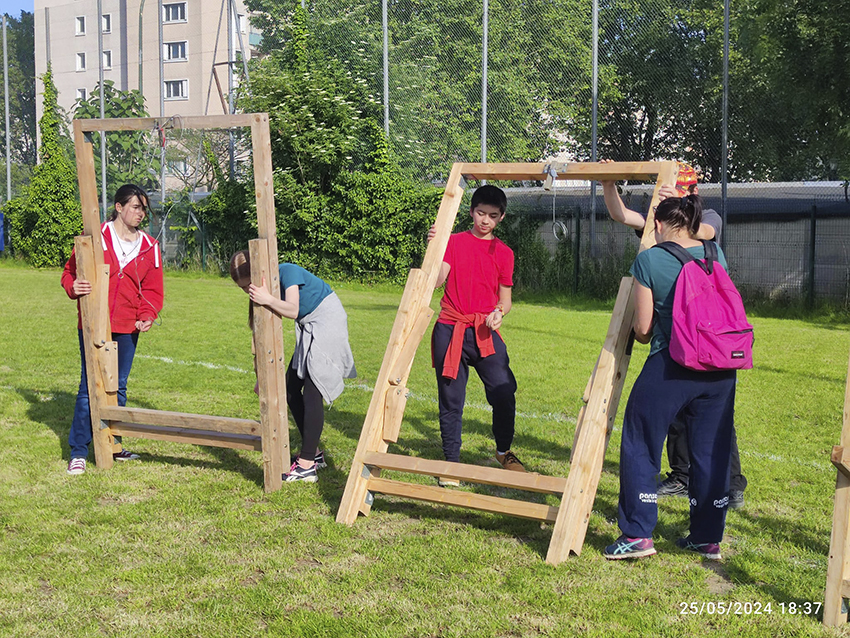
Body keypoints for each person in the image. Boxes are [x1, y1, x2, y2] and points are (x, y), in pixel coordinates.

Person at [600, 163, 747, 509]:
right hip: (677, 341)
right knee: (679, 415)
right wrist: (608, 184)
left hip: (707, 337)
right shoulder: (661, 225)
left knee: (715, 423)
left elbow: (703, 231)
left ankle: (731, 485)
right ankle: (682, 476)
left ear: (691, 194)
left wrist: (676, 213)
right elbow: (622, 215)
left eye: (680, 190)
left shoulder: (706, 217)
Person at [61, 184, 164, 475]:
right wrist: (74, 286)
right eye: (135, 207)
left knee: (118, 385)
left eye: (144, 209)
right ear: (118, 207)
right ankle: (79, 451)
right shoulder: (95, 238)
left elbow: (153, 290)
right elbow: (69, 273)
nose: (141, 214)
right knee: (89, 388)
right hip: (94, 323)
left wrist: (147, 315)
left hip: (128, 326)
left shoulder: (150, 247)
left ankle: (114, 445)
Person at [230, 251, 356, 483]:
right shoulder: (261, 289)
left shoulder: (288, 272)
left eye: (248, 285)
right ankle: (313, 453)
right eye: (242, 288)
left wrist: (267, 299)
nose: (247, 291)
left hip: (327, 321)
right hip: (309, 326)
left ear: (257, 273)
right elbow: (258, 333)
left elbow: (293, 310)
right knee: (289, 388)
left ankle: (306, 465)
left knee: (312, 391)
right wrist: (261, 376)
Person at [427, 184, 522, 486]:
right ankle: (451, 465)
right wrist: (434, 248)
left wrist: (499, 312)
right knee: (451, 399)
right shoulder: (453, 242)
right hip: (450, 328)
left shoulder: (504, 253)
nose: (485, 220)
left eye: (492, 216)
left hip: (484, 331)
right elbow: (435, 281)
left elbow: (505, 299)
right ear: (471, 211)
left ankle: (503, 452)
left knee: (504, 391)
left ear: (501, 217)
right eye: (481, 213)